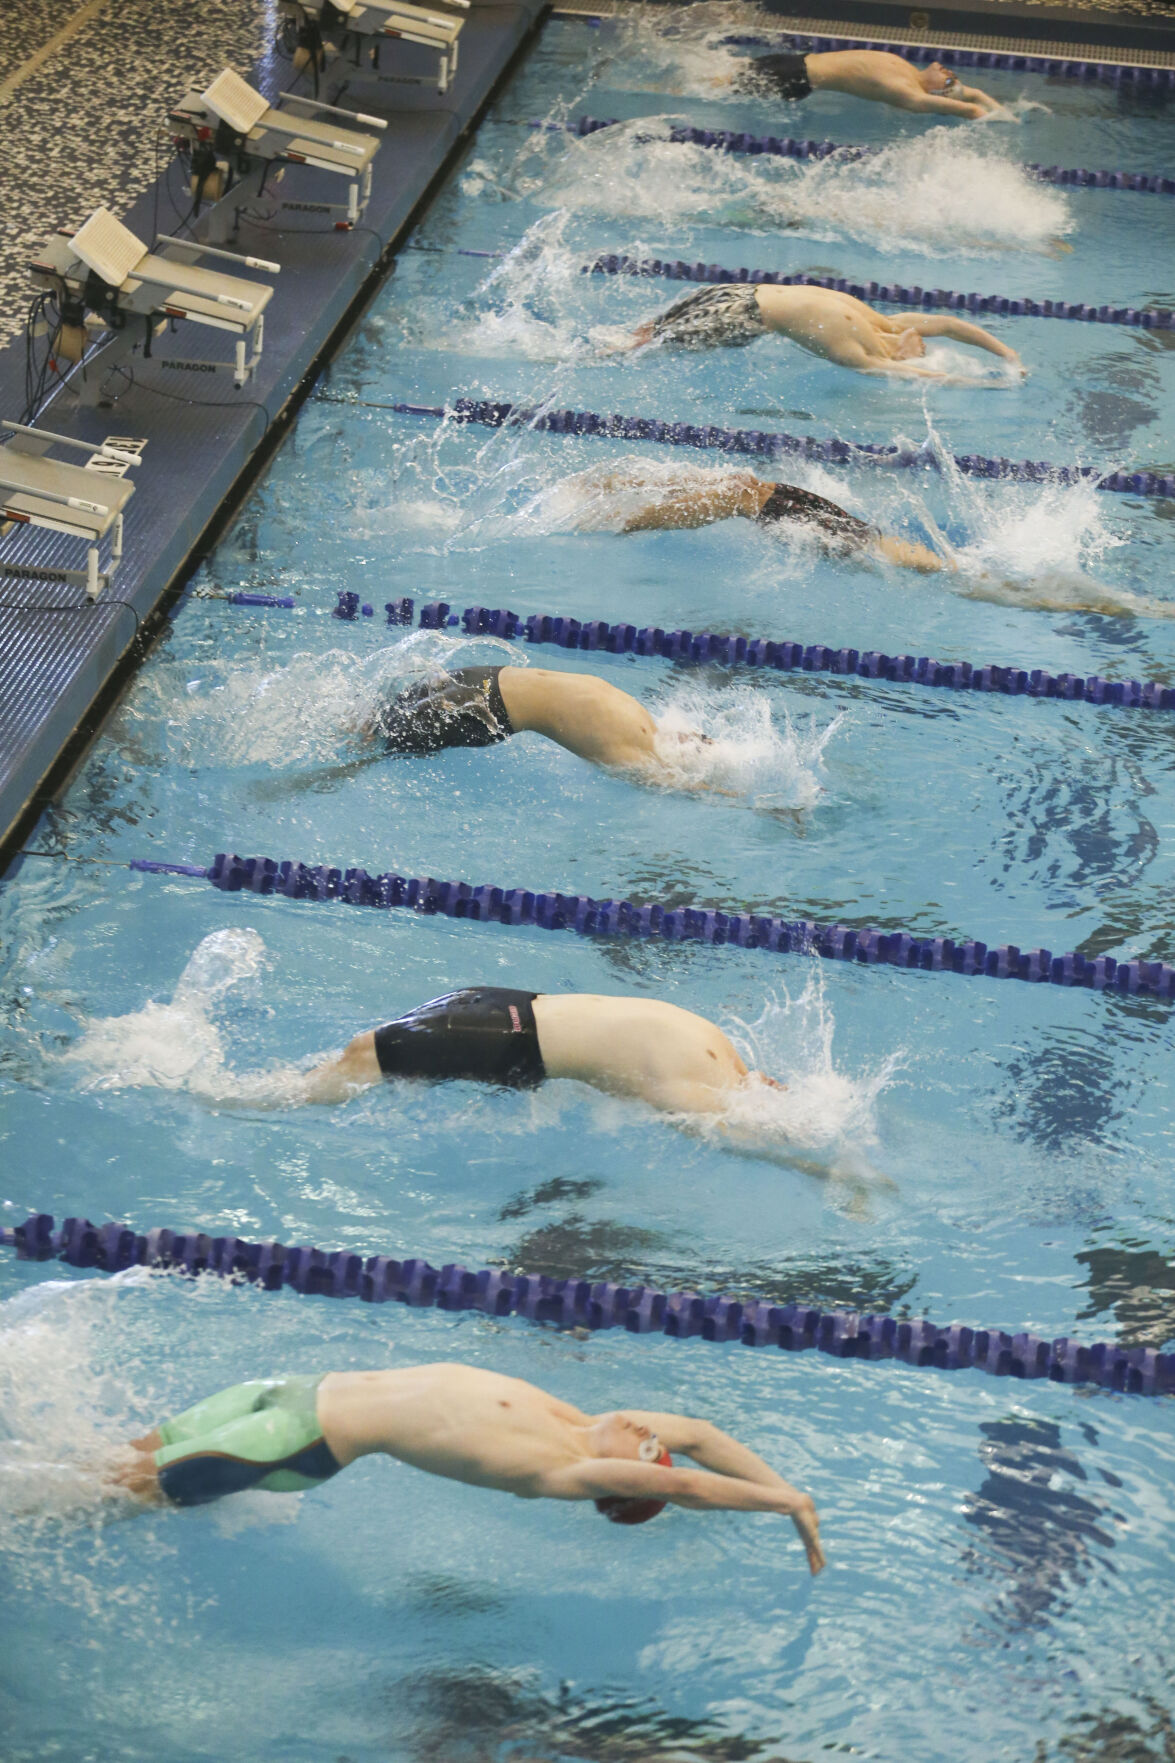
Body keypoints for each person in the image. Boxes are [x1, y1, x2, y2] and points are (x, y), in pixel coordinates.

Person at [111, 1361, 825, 1571]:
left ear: (617, 1482)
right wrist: (782, 1483)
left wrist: (785, 1508)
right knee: (111, 1463)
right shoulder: (579, 1419)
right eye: (650, 1436)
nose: (646, 1429)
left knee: (103, 1496)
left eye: (644, 1448)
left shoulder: (559, 1470)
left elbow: (684, 1480)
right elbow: (696, 1437)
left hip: (300, 1440)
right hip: (280, 1390)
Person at [301, 988, 766, 1117]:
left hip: (499, 1004)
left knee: (355, 1060)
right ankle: (239, 1097)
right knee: (353, 1066)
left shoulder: (712, 1043)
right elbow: (745, 1135)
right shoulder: (686, 1083)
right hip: (506, 1033)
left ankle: (253, 1093)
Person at [615, 282, 1023, 381]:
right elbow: (944, 335)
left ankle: (603, 346)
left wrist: (1005, 357)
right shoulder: (862, 343)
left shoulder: (874, 327)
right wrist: (985, 375)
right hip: (742, 313)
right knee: (639, 350)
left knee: (641, 337)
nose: (923, 345)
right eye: (921, 347)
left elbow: (946, 330)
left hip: (739, 291)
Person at [581, 462, 943, 571]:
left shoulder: (880, 549)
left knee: (743, 490)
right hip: (843, 530)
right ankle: (622, 514)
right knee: (741, 493)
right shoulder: (882, 551)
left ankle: (614, 488)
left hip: (830, 518)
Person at [371, 663, 675, 771]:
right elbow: (672, 782)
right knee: (383, 746)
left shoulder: (638, 718)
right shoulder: (631, 748)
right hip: (490, 709)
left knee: (381, 723)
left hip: (484, 677)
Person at [733, 48, 1003, 121]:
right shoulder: (910, 72)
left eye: (949, 79)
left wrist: (1002, 124)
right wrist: (1004, 112)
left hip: (792, 77)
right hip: (795, 63)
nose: (950, 72)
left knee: (718, 83)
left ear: (937, 91)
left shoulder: (906, 91)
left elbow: (970, 110)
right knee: (720, 76)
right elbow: (973, 95)